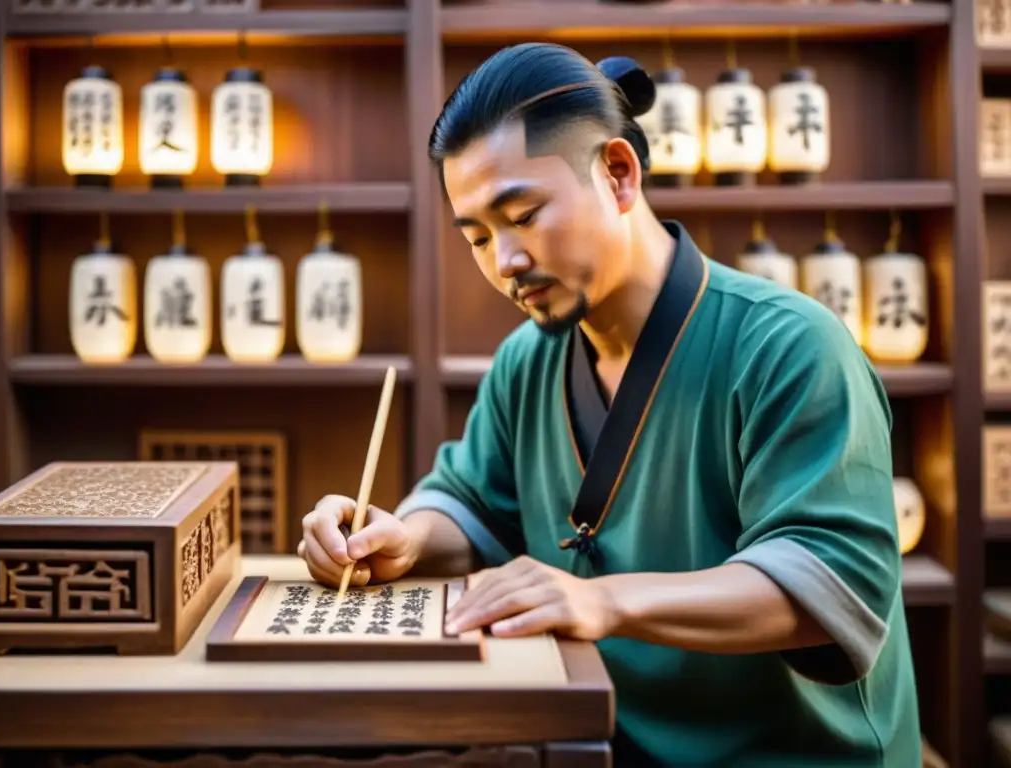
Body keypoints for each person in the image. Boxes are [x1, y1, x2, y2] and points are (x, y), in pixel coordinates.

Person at [298, 42, 921, 767]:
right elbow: (471, 504)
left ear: (618, 173)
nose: (505, 262)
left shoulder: (788, 346)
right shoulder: (528, 362)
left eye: (523, 214)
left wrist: (603, 600)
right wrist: (399, 538)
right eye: (477, 236)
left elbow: (828, 583)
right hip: (606, 747)